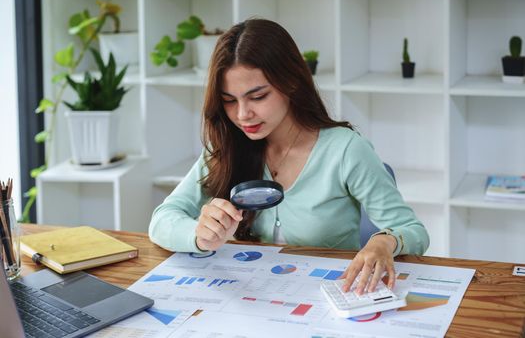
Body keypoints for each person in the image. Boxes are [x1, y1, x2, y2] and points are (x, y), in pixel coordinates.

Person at [149, 18, 429, 295]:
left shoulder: (346, 150)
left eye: (257, 96)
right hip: (254, 298)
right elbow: (162, 220)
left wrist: (384, 241)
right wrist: (199, 235)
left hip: (331, 298)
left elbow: (412, 230)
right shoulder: (227, 147)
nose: (243, 114)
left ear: (291, 82)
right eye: (230, 100)